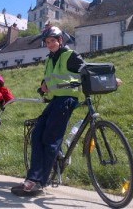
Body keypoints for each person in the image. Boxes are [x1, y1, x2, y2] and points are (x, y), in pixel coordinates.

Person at [11, 26, 85, 196]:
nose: (50, 44)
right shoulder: (50, 59)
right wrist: (43, 88)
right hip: (55, 100)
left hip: (66, 99)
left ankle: (38, 182)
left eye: (53, 40)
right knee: (37, 135)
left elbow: (86, 70)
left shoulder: (69, 55)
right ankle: (35, 177)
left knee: (49, 138)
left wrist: (112, 78)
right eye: (47, 42)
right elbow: (48, 83)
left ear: (61, 40)